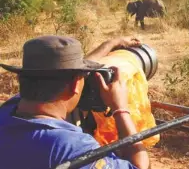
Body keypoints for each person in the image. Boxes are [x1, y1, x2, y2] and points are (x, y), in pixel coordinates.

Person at [0, 35, 151, 169]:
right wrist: (121, 109)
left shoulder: (8, 108)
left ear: (21, 79)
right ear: (75, 85)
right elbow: (140, 166)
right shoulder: (71, 147)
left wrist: (110, 43)